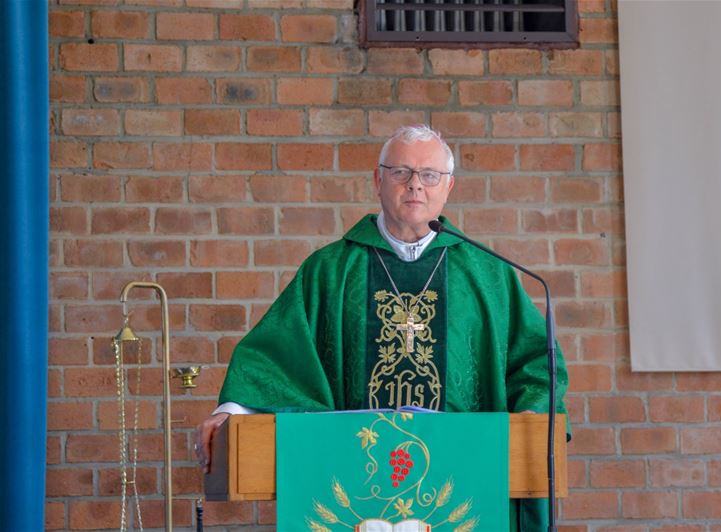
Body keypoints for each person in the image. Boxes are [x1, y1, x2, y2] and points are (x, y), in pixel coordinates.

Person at [194, 124, 569, 530]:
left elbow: (535, 363)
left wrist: (532, 415)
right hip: (352, 478)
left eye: (429, 176)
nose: (415, 186)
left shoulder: (489, 275)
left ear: (449, 187)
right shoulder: (331, 270)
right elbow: (278, 357)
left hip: (463, 474)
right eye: (400, 173)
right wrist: (235, 409)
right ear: (378, 179)